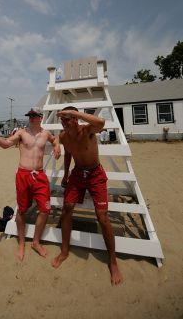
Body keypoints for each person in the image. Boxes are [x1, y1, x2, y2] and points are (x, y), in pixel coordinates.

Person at [52, 106, 123, 286]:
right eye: (62, 120)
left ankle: (113, 262)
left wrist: (74, 113)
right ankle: (65, 251)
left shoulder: (88, 130)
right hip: (77, 173)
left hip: (95, 174)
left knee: (102, 216)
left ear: (76, 119)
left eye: (67, 119)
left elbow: (101, 122)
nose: (64, 123)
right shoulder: (63, 136)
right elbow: (68, 154)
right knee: (67, 208)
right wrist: (66, 174)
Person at [0, 107, 61, 261]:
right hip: (23, 175)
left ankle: (36, 242)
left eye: (34, 116)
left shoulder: (45, 133)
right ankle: (21, 243)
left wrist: (57, 146)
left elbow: (55, 139)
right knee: (22, 210)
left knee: (45, 210)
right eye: (30, 115)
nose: (31, 118)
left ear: (41, 117)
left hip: (39, 175)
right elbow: (5, 144)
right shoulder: (21, 133)